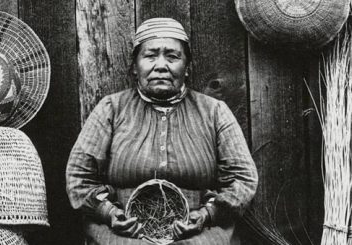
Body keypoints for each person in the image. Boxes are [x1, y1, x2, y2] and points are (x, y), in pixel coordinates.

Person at [66, 17, 258, 245]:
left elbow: (243, 179)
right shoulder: (111, 109)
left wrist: (207, 215)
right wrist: (109, 213)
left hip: (199, 234)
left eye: (172, 56)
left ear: (187, 68)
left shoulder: (214, 112)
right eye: (150, 55)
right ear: (135, 67)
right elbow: (79, 178)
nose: (161, 65)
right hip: (123, 235)